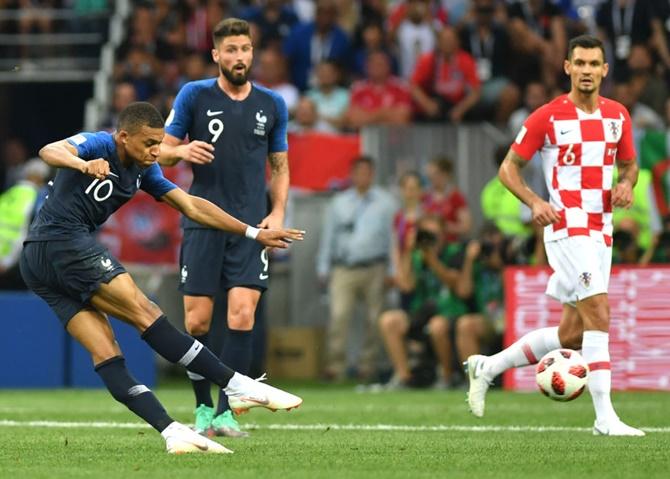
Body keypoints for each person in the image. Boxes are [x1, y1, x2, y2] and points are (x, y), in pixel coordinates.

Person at [19, 101, 305, 454]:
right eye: (149, 143)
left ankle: (171, 431)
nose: (157, 151)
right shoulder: (99, 144)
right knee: (146, 312)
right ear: (123, 137)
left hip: (38, 262)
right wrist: (83, 163)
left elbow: (192, 205)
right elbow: (49, 150)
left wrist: (252, 233)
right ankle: (233, 383)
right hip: (61, 242)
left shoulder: (144, 169)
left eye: (159, 143)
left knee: (106, 352)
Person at [464, 35, 645, 436]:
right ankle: (605, 419)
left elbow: (630, 165)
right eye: (578, 63)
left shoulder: (618, 116)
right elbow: (508, 169)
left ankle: (487, 366)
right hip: (566, 227)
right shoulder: (546, 116)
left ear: (604, 70)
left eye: (593, 64)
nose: (586, 70)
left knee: (573, 333)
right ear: (566, 67)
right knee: (599, 312)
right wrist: (534, 201)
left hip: (602, 229)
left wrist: (628, 184)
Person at [158, 18, 291, 438]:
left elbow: (281, 166)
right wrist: (181, 150)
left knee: (242, 315)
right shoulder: (194, 95)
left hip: (252, 228)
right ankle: (200, 408)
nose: (239, 57)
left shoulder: (272, 104)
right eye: (230, 50)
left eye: (245, 49)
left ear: (253, 53)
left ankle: (225, 413)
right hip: (202, 222)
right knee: (197, 323)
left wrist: (279, 211)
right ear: (216, 55)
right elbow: (158, 151)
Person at [316, 156, 396, 382]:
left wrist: (393, 270)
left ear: (372, 174)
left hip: (375, 266)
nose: (362, 176)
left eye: (367, 172)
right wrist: (323, 266)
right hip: (344, 267)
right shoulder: (338, 202)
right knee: (339, 315)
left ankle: (368, 366)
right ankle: (335, 366)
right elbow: (328, 235)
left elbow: (392, 239)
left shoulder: (386, 202)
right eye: (358, 172)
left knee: (374, 318)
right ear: (352, 175)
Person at [379, 214, 476, 389]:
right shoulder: (417, 256)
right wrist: (408, 251)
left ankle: (446, 378)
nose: (430, 239)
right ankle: (404, 378)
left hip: (450, 311)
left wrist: (432, 259)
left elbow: (454, 283)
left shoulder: (454, 252)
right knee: (389, 320)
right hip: (422, 311)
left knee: (437, 325)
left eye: (434, 234)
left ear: (443, 234)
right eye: (425, 234)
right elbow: (406, 285)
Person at [0, 158, 51, 290]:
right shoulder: (36, 198)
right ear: (41, 178)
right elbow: (24, 231)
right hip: (15, 263)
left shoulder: (9, 194)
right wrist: (6, 260)